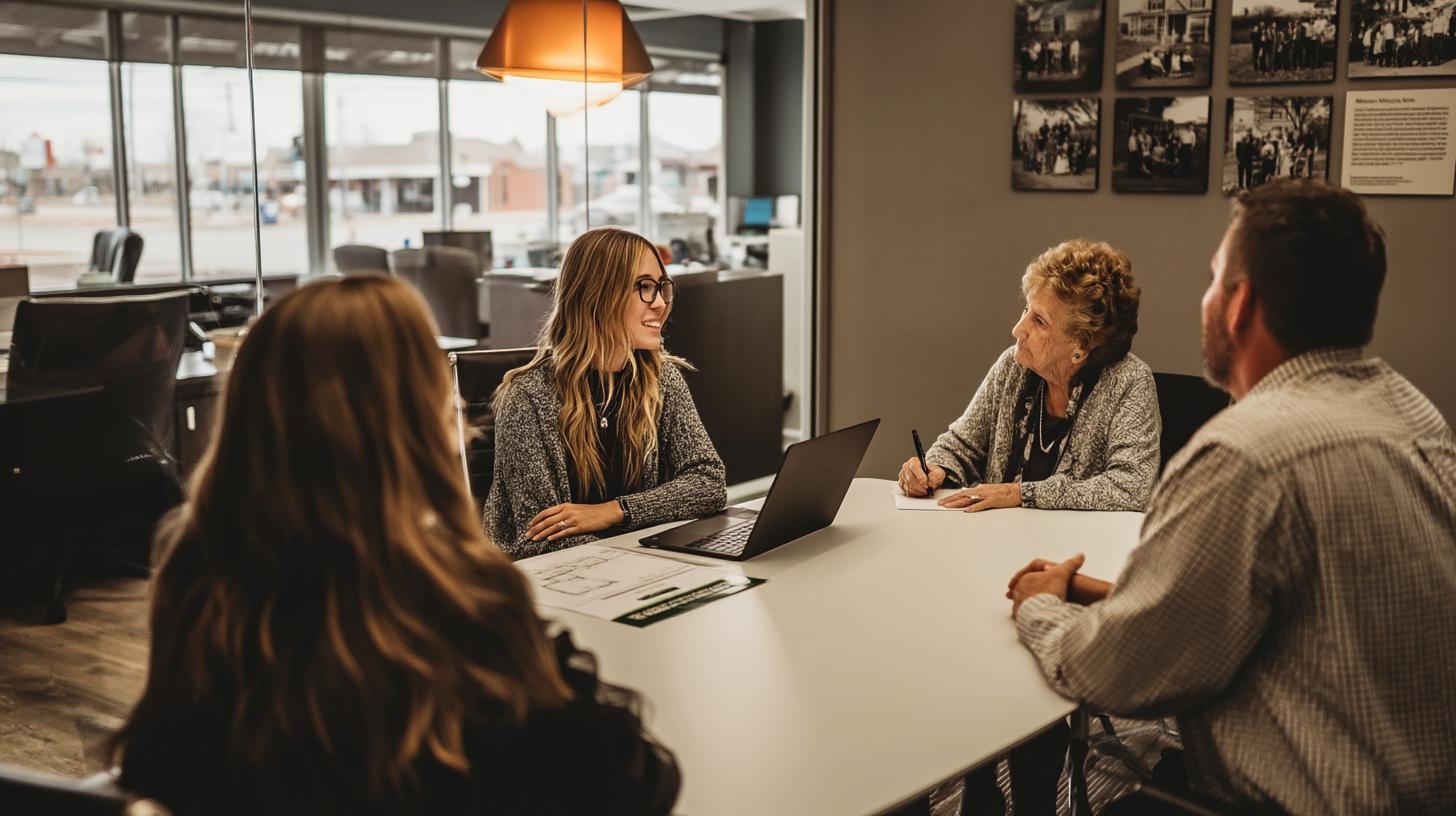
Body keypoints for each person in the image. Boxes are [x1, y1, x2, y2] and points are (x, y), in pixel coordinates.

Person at [109, 276, 681, 816]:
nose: (457, 414)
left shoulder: (198, 581)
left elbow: (154, 769)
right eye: (438, 391)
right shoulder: (455, 603)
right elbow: (633, 781)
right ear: (413, 422)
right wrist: (551, 662)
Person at [1008, 180, 1456, 814]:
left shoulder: (1246, 455)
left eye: (1215, 278)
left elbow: (1114, 673)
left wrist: (1039, 608)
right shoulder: (1413, 415)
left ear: (1240, 304)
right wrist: (1091, 592)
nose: (1206, 297)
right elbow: (1289, 614)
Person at [485, 227, 726, 559]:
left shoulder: (660, 377)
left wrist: (616, 510)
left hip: (636, 568)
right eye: (644, 288)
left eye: (661, 288)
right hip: (552, 583)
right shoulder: (527, 398)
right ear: (598, 294)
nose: (660, 304)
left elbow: (708, 483)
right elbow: (541, 536)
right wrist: (637, 562)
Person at [898, 239, 1159, 513]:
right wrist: (934, 468)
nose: (1017, 329)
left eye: (1039, 321)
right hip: (1000, 543)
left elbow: (1131, 487)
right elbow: (961, 446)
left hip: (1079, 550)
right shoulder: (1013, 367)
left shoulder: (1129, 381)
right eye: (1026, 310)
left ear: (1080, 346)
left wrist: (1021, 493)